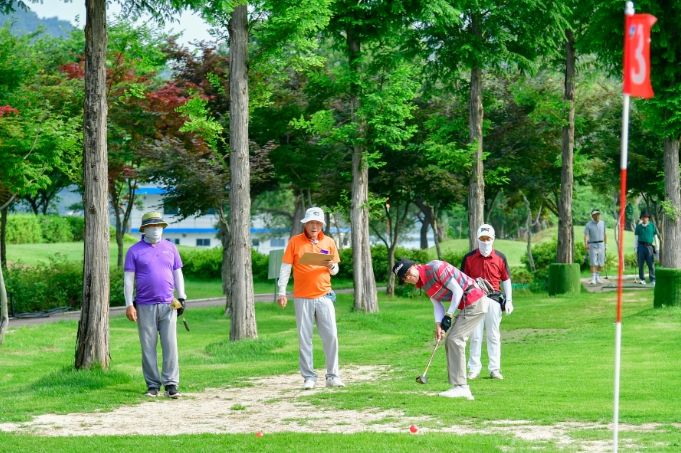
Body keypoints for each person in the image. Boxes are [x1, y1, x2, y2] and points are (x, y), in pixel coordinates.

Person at [393, 258, 492, 400]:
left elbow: (457, 291)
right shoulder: (423, 284)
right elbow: (437, 304)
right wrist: (438, 325)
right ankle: (459, 386)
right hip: (468, 304)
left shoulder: (436, 268)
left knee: (455, 340)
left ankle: (461, 387)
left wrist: (449, 315)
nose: (408, 277)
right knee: (452, 340)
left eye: (408, 272)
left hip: (475, 300)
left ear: (415, 266)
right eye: (404, 277)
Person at [277, 207, 343, 390]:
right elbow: (285, 268)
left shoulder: (329, 242)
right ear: (305, 224)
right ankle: (309, 377)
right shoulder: (295, 242)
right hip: (302, 297)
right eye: (311, 223)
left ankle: (333, 376)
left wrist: (331, 266)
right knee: (305, 338)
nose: (314, 226)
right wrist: (282, 292)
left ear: (322, 225)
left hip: (324, 296)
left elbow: (335, 271)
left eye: (318, 223)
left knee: (331, 336)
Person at [124, 212, 187, 398]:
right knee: (148, 347)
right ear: (144, 229)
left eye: (159, 226)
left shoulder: (171, 248)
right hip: (144, 305)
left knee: (170, 345)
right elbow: (128, 280)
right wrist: (129, 304)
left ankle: (171, 384)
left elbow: (177, 273)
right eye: (152, 226)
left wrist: (182, 297)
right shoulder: (134, 251)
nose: (156, 230)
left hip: (169, 304)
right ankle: (152, 385)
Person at [461, 224, 514, 381]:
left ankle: (494, 369)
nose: (485, 242)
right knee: (475, 336)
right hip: (474, 300)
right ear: (478, 239)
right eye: (482, 239)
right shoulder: (469, 258)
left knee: (493, 335)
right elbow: (462, 280)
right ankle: (474, 369)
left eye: (488, 239)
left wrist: (509, 300)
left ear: (493, 239)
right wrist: (463, 302)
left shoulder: (500, 257)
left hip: (494, 300)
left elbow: (506, 279)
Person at [634, 211, 659, 286]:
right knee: (640, 264)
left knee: (651, 264)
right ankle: (642, 279)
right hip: (641, 247)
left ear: (648, 218)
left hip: (649, 247)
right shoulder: (638, 227)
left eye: (646, 217)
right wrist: (635, 248)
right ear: (641, 218)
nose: (645, 218)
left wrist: (657, 247)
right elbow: (636, 238)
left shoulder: (652, 226)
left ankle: (652, 279)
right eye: (643, 217)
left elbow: (655, 237)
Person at [584, 209, 607, 285]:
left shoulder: (603, 223)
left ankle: (597, 277)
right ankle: (593, 278)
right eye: (595, 215)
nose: (597, 216)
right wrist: (586, 244)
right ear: (592, 216)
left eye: (598, 214)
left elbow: (605, 234)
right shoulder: (588, 225)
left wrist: (606, 245)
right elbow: (586, 235)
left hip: (601, 244)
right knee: (593, 262)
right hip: (592, 244)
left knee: (601, 262)